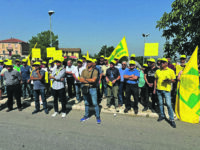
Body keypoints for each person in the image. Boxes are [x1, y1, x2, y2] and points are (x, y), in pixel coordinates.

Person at [154, 58, 176, 128]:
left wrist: (169, 80)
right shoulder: (157, 71)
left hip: (166, 90)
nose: (162, 63)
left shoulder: (171, 71)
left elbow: (174, 80)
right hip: (159, 89)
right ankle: (162, 115)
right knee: (160, 104)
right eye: (161, 62)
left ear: (167, 63)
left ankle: (172, 119)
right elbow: (155, 80)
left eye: (163, 62)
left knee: (169, 104)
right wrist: (155, 88)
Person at [79, 58, 101, 124]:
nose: (88, 63)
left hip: (92, 89)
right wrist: (89, 80)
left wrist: (85, 80)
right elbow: (80, 80)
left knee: (95, 103)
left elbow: (93, 80)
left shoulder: (95, 71)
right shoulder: (83, 71)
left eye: (89, 62)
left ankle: (98, 116)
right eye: (87, 62)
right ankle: (86, 115)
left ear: (92, 63)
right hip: (85, 88)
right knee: (86, 103)